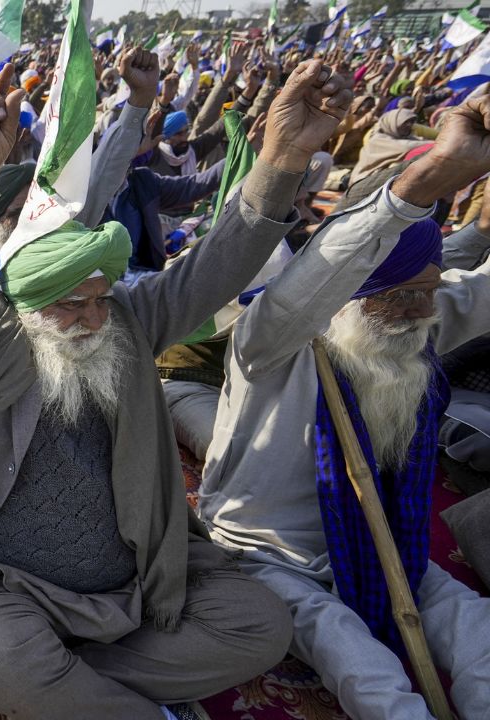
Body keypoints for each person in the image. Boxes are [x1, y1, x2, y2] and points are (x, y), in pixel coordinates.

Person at [0, 61, 353, 719]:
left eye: (99, 299)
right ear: (25, 304)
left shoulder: (127, 325)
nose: (90, 318)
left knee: (260, 624)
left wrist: (281, 157)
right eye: (68, 305)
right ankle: (98, 691)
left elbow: (213, 267)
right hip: (9, 586)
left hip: (134, 580)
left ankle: (69, 682)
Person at [198, 96, 490, 720]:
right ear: (353, 295)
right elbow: (321, 270)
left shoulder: (422, 317)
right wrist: (425, 180)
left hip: (382, 533)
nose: (420, 311)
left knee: (475, 626)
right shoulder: (274, 339)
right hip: (270, 550)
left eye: (427, 293)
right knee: (357, 659)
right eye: (400, 296)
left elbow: (478, 290)